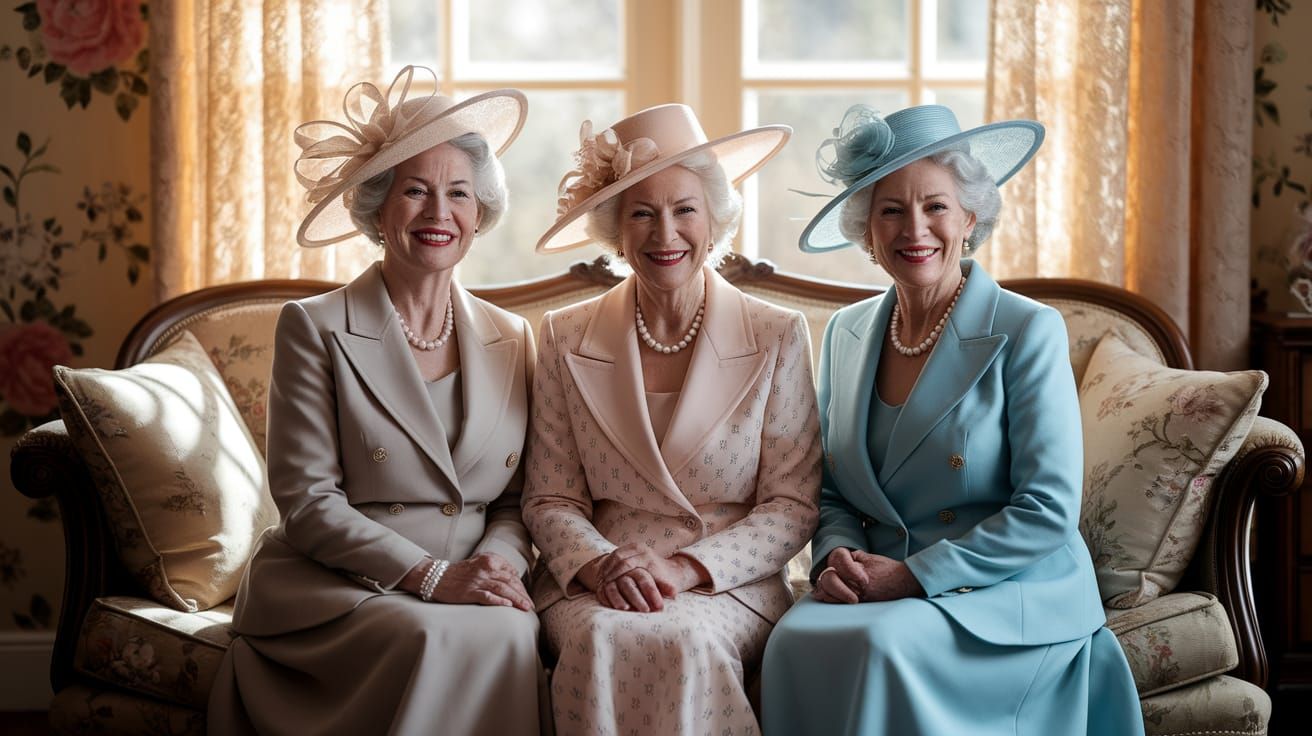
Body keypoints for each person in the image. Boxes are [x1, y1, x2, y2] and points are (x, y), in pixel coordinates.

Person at [761, 104, 1144, 735]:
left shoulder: (1026, 329)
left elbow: (1047, 508)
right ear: (867, 231)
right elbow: (830, 488)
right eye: (891, 209)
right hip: (877, 581)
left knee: (882, 648)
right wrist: (840, 560)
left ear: (970, 216)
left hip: (1003, 594)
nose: (915, 228)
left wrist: (914, 577)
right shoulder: (846, 332)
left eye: (935, 206)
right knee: (792, 642)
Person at [208, 66, 543, 736]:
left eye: (457, 194)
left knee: (508, 632)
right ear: (377, 208)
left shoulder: (514, 337)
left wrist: (497, 572)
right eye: (414, 191)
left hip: (471, 586)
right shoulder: (314, 325)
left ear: (480, 213)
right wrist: (429, 577)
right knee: (433, 634)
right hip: (342, 590)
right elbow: (307, 503)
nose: (438, 213)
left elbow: (515, 502)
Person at [524, 103, 820, 734]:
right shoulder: (563, 335)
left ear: (714, 221)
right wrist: (606, 566)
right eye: (641, 212)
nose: (666, 233)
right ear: (616, 232)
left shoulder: (777, 335)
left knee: (684, 639)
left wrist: (684, 569)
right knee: (604, 635)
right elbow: (549, 497)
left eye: (684, 209)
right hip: (594, 581)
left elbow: (792, 505)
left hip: (726, 582)